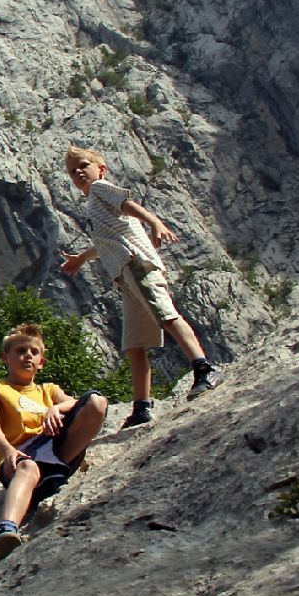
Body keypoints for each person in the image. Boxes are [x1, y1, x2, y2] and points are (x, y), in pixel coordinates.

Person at [59, 146, 220, 429]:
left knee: (167, 316)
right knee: (134, 344)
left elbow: (127, 205)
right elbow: (106, 241)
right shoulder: (93, 205)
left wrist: (155, 222)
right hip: (125, 275)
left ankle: (203, 369)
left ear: (101, 169)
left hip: (137, 265)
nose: (79, 172)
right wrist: (82, 258)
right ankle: (142, 407)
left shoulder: (99, 188)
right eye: (73, 171)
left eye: (84, 165)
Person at [0, 324, 108, 567]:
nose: (28, 355)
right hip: (21, 455)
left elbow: (81, 402)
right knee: (28, 468)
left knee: (97, 402)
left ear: (41, 362)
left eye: (34, 352)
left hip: (56, 452)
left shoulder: (48, 390)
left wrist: (55, 408)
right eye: (20, 350)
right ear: (5, 357)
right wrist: (8, 451)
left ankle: (58, 469)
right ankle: (5, 531)